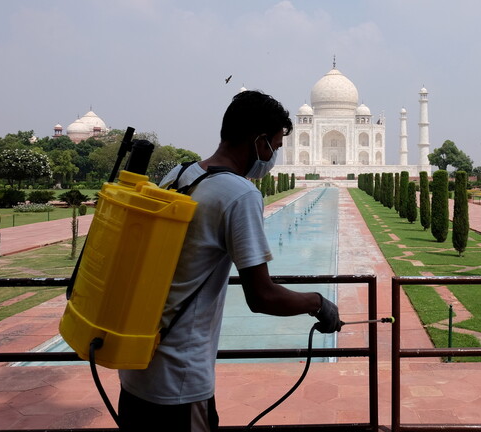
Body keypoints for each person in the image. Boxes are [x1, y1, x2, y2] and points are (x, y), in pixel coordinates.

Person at [117, 90, 342, 432]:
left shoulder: (179, 176)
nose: (274, 157)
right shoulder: (239, 194)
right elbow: (261, 296)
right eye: (276, 147)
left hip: (136, 369)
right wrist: (318, 303)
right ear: (260, 143)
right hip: (179, 381)